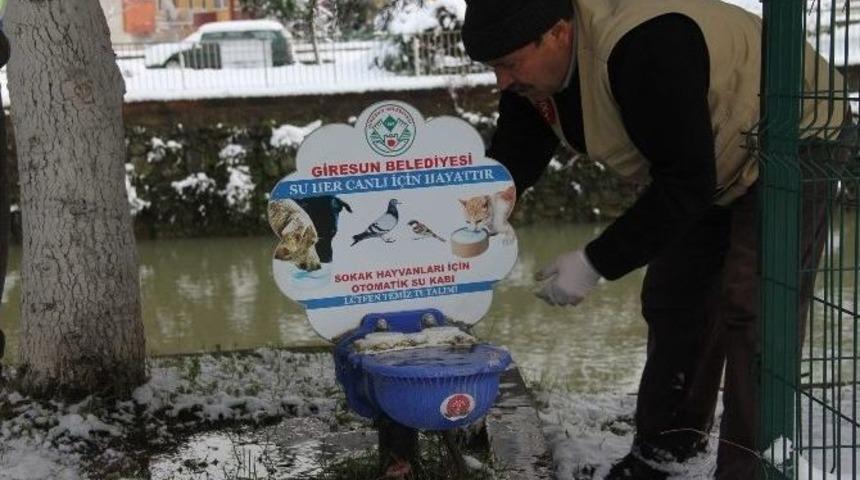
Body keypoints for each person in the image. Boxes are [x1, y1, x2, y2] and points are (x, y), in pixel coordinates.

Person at [460, 0, 848, 478]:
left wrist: (595, 260)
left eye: (507, 64)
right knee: (673, 297)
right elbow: (519, 149)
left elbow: (686, 184)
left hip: (793, 136)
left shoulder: (644, 48)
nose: (501, 81)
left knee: (754, 304)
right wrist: (483, 209)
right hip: (709, 152)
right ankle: (663, 455)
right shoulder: (537, 74)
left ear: (558, 33)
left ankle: (752, 468)